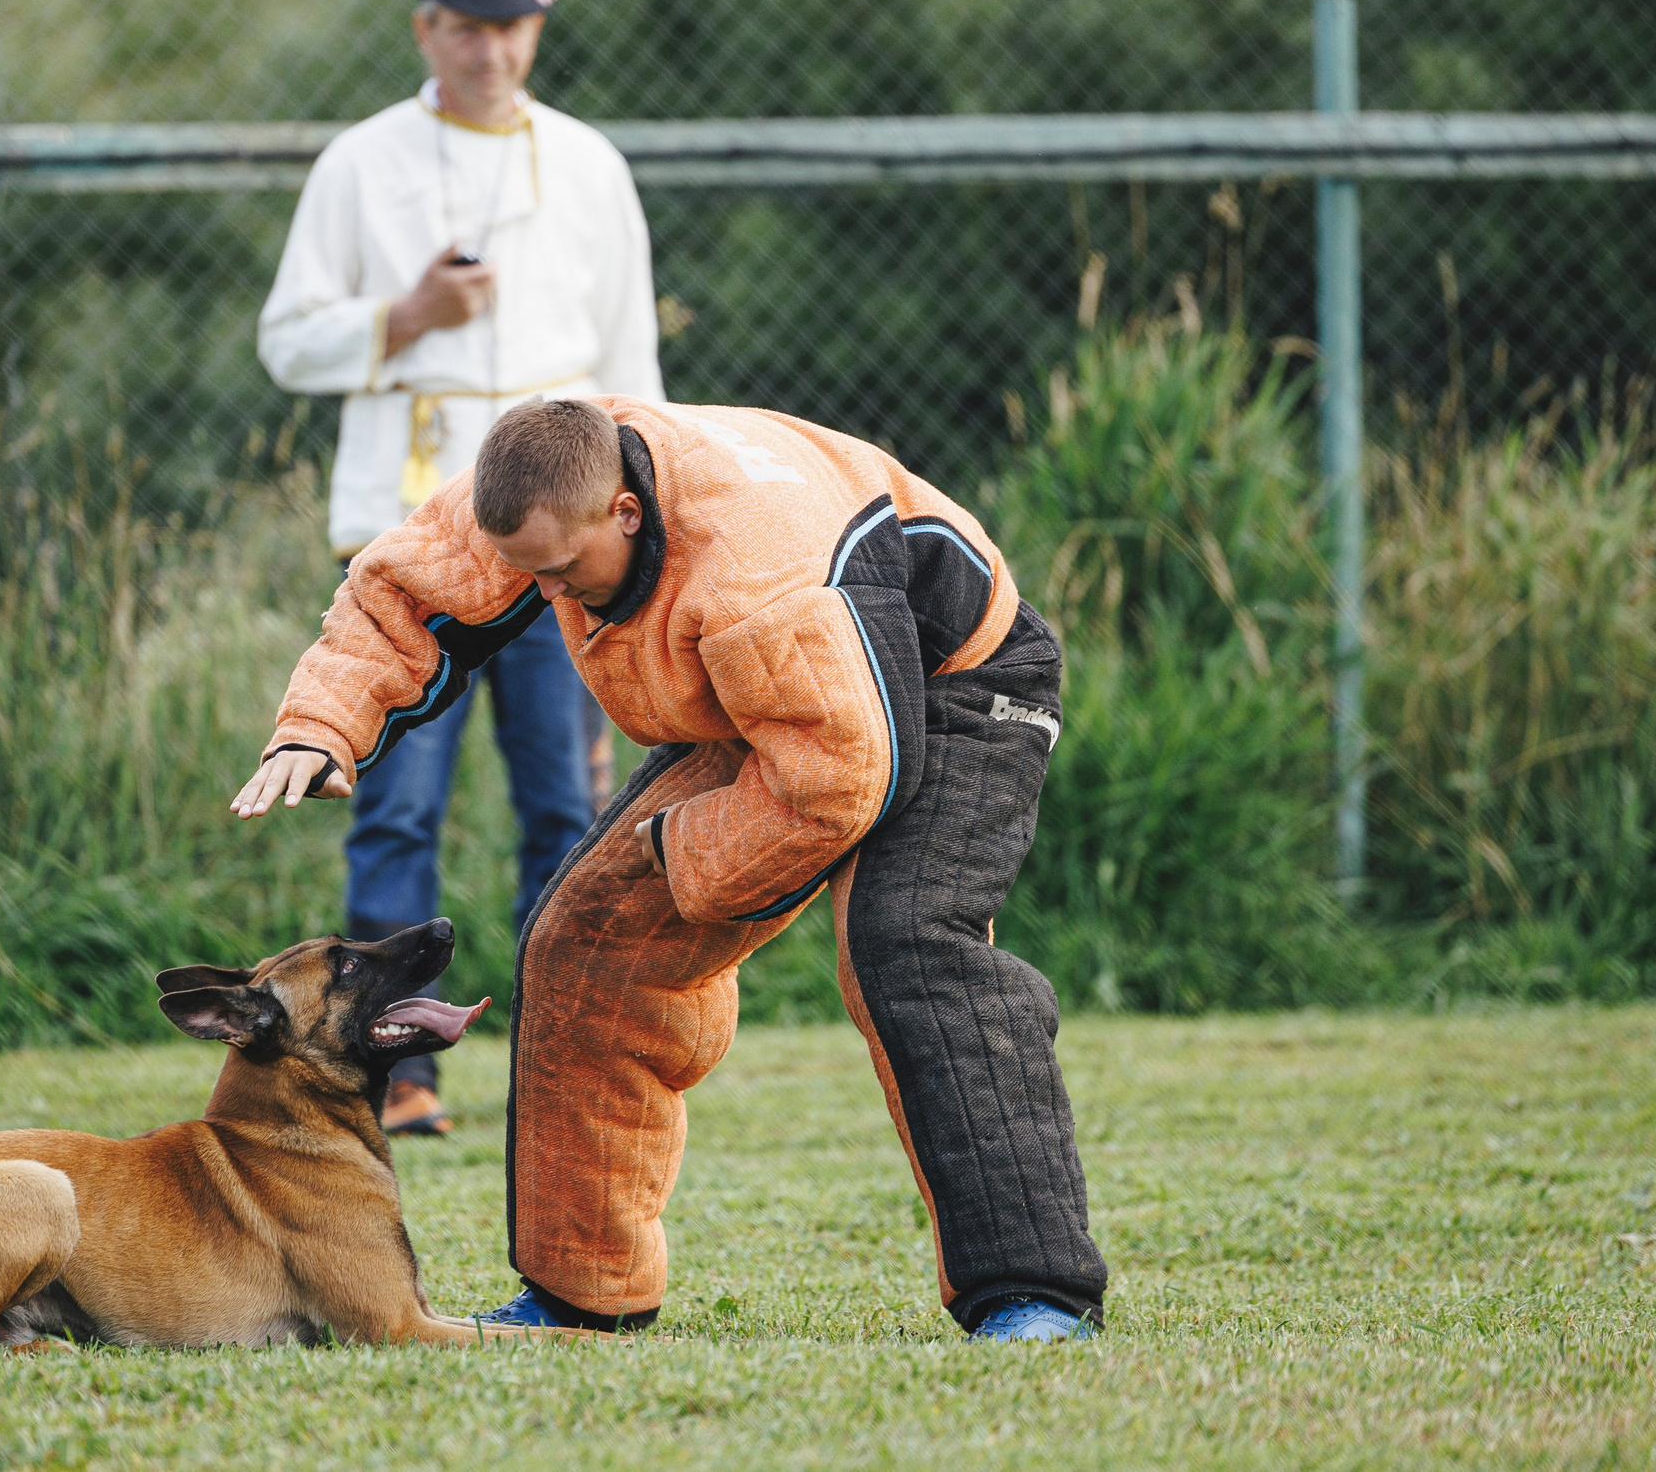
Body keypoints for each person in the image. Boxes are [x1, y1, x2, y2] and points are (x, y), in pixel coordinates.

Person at [230, 397, 1107, 1343]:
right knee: (586, 939)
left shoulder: (752, 566)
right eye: (532, 574)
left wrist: (672, 851)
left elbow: (840, 779)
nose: (552, 595)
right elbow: (404, 591)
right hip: (785, 699)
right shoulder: (539, 485)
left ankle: (1035, 1294)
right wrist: (319, 725)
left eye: (565, 572)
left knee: (905, 939)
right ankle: (582, 1293)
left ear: (626, 514)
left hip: (960, 681)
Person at [257, 0, 665, 1138]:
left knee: (564, 804)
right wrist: (406, 315)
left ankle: (564, 1049)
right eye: (466, 27)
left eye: (511, 27)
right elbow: (287, 342)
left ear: (533, 29)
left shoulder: (589, 165)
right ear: (426, 27)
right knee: (396, 808)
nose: (491, 50)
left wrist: (637, 537)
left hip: (565, 552)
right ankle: (395, 1071)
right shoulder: (359, 164)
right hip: (409, 540)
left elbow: (630, 365)